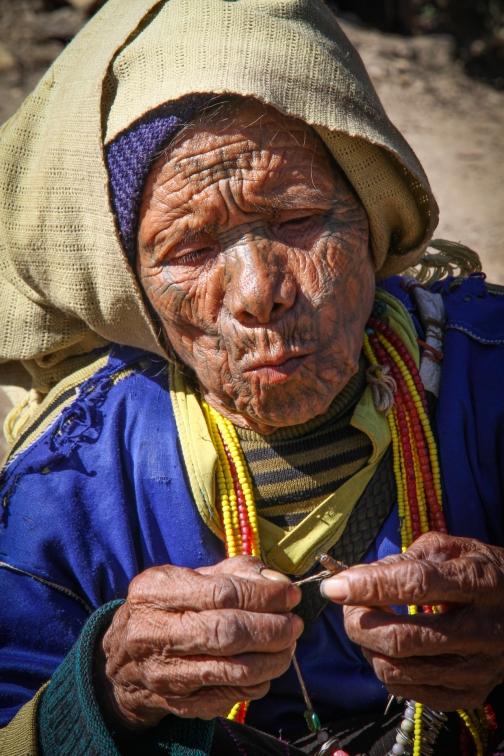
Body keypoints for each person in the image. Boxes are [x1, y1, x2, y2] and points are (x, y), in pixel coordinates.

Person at [1, 1, 504, 755]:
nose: (256, 291)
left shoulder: (487, 374)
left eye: (297, 217)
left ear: (370, 217)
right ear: (133, 286)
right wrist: (111, 691)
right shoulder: (71, 475)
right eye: (189, 247)